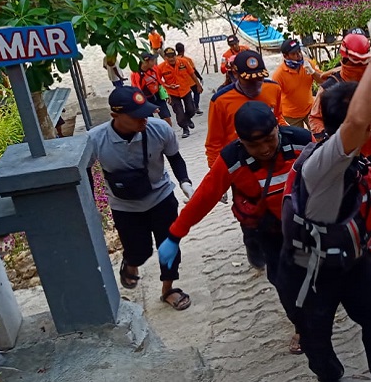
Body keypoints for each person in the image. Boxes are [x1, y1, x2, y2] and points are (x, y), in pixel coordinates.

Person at [276, 18, 371, 382]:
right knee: (316, 340)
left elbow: (368, 204)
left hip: (351, 261)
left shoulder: (364, 165)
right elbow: (356, 120)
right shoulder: (323, 164)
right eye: (366, 122)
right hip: (310, 269)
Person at [160, 101, 313, 354]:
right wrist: (175, 234)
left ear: (277, 128)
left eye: (270, 139)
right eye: (254, 145)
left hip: (309, 225)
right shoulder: (232, 159)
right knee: (284, 282)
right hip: (272, 232)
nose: (264, 149)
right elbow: (204, 197)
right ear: (241, 141)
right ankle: (302, 327)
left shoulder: (302, 142)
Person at [88, 86, 196, 311]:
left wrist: (186, 184)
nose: (144, 119)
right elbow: (86, 172)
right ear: (115, 116)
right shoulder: (95, 140)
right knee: (139, 251)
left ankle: (168, 289)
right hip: (124, 205)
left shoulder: (159, 129)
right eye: (136, 116)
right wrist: (91, 206)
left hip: (161, 197)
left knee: (169, 248)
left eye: (145, 113)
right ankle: (131, 262)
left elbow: (175, 158)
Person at [205, 49, 287, 267]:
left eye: (259, 79)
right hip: (241, 168)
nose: (256, 86)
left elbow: (278, 119)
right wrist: (218, 179)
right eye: (249, 81)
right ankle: (253, 246)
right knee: (249, 214)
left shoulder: (273, 89)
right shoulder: (220, 101)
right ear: (235, 75)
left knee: (281, 206)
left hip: (274, 161)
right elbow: (214, 143)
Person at [272, 39, 331, 128]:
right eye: (294, 54)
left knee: (319, 131)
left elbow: (323, 81)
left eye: (299, 51)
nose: (299, 55)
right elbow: (274, 98)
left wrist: (313, 72)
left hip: (309, 109)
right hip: (291, 115)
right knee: (298, 136)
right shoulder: (279, 75)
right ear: (285, 56)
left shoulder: (308, 64)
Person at [157, 47, 203, 138]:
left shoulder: (184, 62)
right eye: (169, 57)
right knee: (179, 113)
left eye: (173, 56)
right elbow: (159, 81)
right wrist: (166, 88)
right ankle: (185, 129)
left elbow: (192, 74)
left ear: (175, 56)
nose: (171, 59)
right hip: (172, 93)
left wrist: (198, 85)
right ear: (165, 57)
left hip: (185, 90)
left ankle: (188, 119)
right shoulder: (161, 67)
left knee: (191, 110)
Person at [131, 51, 173, 127]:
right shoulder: (136, 74)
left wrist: (166, 93)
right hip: (146, 99)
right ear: (145, 62)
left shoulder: (154, 69)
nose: (154, 62)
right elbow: (137, 91)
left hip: (157, 95)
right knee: (150, 122)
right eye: (152, 60)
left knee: (167, 118)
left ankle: (169, 132)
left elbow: (159, 81)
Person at [176, 42, 204, 115]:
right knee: (196, 92)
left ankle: (190, 108)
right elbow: (193, 70)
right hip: (191, 80)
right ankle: (195, 107)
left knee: (187, 95)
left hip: (182, 82)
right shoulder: (187, 59)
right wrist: (200, 78)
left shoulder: (174, 60)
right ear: (183, 50)